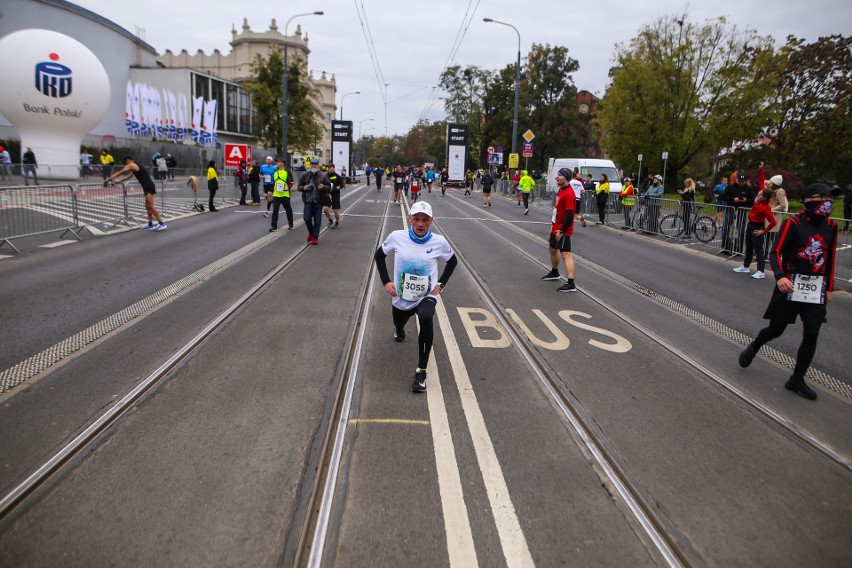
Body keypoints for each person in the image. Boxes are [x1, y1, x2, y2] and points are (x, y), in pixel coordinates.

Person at [738, 183, 841, 400]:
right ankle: (755, 345)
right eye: (820, 198)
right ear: (807, 200)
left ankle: (796, 379)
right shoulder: (793, 223)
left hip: (816, 289)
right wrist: (780, 276)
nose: (825, 203)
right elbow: (775, 252)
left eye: (828, 198)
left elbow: (831, 258)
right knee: (776, 330)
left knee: (812, 333)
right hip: (790, 285)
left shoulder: (831, 227)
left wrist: (829, 288)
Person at [374, 200, 458, 392]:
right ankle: (400, 330)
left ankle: (421, 372)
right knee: (399, 322)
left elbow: (452, 262)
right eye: (417, 219)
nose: (420, 224)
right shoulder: (397, 237)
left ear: (431, 221)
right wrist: (386, 281)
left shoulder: (439, 241)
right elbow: (379, 256)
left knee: (426, 317)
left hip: (425, 295)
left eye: (425, 220)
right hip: (402, 297)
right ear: (410, 219)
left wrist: (441, 283)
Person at [541, 168, 579, 292]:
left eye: (559, 175)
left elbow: (569, 214)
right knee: (552, 248)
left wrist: (562, 231)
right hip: (556, 226)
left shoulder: (568, 193)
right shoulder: (561, 190)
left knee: (566, 254)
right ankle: (555, 272)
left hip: (563, 229)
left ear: (565, 178)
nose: (556, 177)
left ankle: (571, 283)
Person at [104, 156, 166, 231]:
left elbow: (120, 172)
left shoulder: (132, 165)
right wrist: (119, 181)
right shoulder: (135, 167)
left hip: (148, 186)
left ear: (128, 161)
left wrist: (108, 179)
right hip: (147, 186)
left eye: (126, 163)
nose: (126, 166)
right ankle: (150, 224)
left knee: (151, 206)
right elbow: (129, 176)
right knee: (147, 206)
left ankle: (161, 223)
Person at [732, 188, 776, 278]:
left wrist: (764, 231)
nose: (758, 196)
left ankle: (761, 271)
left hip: (757, 227)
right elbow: (761, 181)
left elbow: (773, 222)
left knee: (758, 249)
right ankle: (745, 266)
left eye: (760, 195)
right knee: (749, 247)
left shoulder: (766, 208)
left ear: (765, 197)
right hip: (750, 224)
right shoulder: (758, 201)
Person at [721, 173, 758, 253]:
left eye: (743, 181)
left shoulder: (748, 189)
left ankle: (739, 248)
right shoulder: (730, 187)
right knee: (726, 228)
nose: (741, 183)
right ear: (736, 180)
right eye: (740, 181)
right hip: (730, 209)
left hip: (742, 210)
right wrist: (733, 199)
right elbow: (723, 197)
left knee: (741, 229)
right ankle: (725, 246)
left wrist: (745, 200)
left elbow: (753, 199)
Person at [298, 157, 330, 244]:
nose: (314, 166)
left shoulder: (323, 175)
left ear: (318, 165)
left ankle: (315, 237)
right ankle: (311, 233)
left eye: (316, 164)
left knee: (317, 220)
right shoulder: (305, 175)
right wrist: (303, 188)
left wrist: (323, 187)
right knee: (307, 219)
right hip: (308, 200)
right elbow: (299, 186)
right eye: (312, 164)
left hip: (318, 201)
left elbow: (329, 187)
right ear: (310, 165)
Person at [269, 157, 294, 232]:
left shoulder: (287, 172)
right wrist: (271, 192)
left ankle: (291, 224)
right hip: (277, 195)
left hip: (285, 195)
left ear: (282, 163)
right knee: (275, 211)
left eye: (278, 162)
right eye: (277, 162)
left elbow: (291, 182)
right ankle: (274, 226)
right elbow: (274, 183)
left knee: (288, 210)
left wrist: (287, 188)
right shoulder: (275, 172)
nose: (277, 163)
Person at [324, 163, 344, 229]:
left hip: (335, 194)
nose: (328, 169)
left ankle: (337, 222)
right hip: (328, 194)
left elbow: (341, 185)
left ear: (333, 168)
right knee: (325, 209)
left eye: (330, 167)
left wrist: (336, 188)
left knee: (335, 211)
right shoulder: (325, 176)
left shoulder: (337, 176)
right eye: (328, 167)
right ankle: (330, 220)